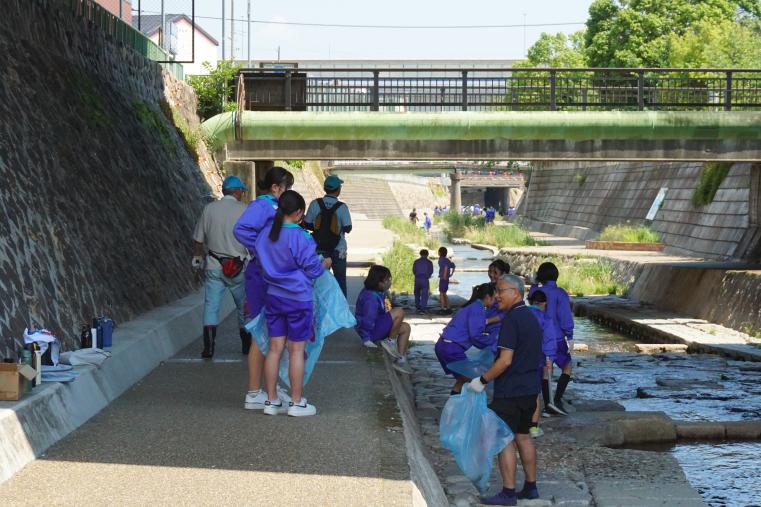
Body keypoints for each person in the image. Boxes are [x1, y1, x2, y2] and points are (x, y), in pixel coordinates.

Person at [254, 190, 331, 417]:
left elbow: (258, 261)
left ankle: (271, 401)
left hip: (273, 297)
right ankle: (296, 403)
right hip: (298, 299)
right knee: (297, 350)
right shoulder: (301, 236)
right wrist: (324, 263)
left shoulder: (265, 234)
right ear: (298, 213)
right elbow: (313, 268)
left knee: (274, 349)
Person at [469, 274, 544, 505]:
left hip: (511, 390)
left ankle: (508, 492)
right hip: (530, 389)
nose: (497, 295)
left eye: (501, 290)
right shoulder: (532, 317)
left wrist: (482, 380)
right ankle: (531, 487)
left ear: (516, 292)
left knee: (504, 440)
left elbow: (505, 360)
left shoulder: (511, 320)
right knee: (524, 436)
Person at [233, 166, 294, 410]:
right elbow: (240, 229)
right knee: (262, 332)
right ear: (275, 188)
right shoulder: (263, 206)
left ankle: (267, 388)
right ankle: (254, 391)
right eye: (287, 187)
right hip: (261, 276)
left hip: (269, 275)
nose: (289, 192)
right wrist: (263, 250)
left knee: (271, 332)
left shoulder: (273, 207)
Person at [192, 175, 249, 359]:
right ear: (237, 191)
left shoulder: (209, 209)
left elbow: (198, 239)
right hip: (238, 268)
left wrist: (198, 257)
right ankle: (246, 345)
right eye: (242, 191)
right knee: (243, 307)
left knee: (211, 306)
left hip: (214, 266)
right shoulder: (244, 210)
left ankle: (209, 348)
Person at [434, 283, 502, 394]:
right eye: (495, 297)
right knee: (473, 382)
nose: (496, 300)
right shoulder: (477, 309)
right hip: (451, 348)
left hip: (444, 345)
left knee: (462, 380)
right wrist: (493, 342)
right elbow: (475, 335)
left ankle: (454, 405)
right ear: (488, 297)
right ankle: (464, 408)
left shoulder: (472, 305)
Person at [529, 262, 574, 416]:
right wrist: (570, 335)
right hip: (557, 338)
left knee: (545, 370)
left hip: (540, 338)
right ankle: (556, 399)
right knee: (567, 367)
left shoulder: (536, 292)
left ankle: (548, 403)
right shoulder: (560, 293)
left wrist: (535, 282)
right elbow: (565, 316)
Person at [355, 265, 412, 374]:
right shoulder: (370, 298)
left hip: (377, 326)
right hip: (372, 332)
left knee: (405, 327)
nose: (389, 282)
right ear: (379, 282)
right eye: (387, 280)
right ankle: (390, 341)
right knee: (399, 312)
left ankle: (400, 359)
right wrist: (366, 339)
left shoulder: (377, 292)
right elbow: (366, 321)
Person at [305, 175, 352, 298]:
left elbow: (307, 224)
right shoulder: (342, 207)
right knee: (340, 281)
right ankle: (342, 312)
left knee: (318, 281)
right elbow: (348, 228)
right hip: (338, 249)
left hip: (318, 248)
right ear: (338, 190)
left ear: (325, 188)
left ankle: (319, 310)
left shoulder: (315, 204)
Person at [527, 290, 555, 439]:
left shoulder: (519, 314)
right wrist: (549, 359)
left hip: (518, 357)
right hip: (537, 358)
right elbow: (549, 341)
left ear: (530, 301)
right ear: (544, 303)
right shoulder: (545, 318)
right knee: (535, 393)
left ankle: (518, 425)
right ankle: (533, 428)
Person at [412, 249, 434, 314]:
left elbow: (414, 270)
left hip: (417, 279)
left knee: (417, 293)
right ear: (427, 254)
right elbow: (431, 271)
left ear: (420, 254)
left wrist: (417, 275)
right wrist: (428, 275)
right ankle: (423, 308)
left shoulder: (416, 261)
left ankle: (417, 306)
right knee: (425, 294)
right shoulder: (429, 262)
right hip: (425, 279)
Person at [437, 247, 456, 314]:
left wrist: (444, 275)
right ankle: (448, 307)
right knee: (444, 293)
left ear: (439, 252)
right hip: (446, 279)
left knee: (441, 294)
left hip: (443, 278)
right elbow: (453, 266)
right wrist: (451, 274)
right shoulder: (448, 260)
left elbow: (446, 267)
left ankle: (442, 308)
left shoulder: (441, 260)